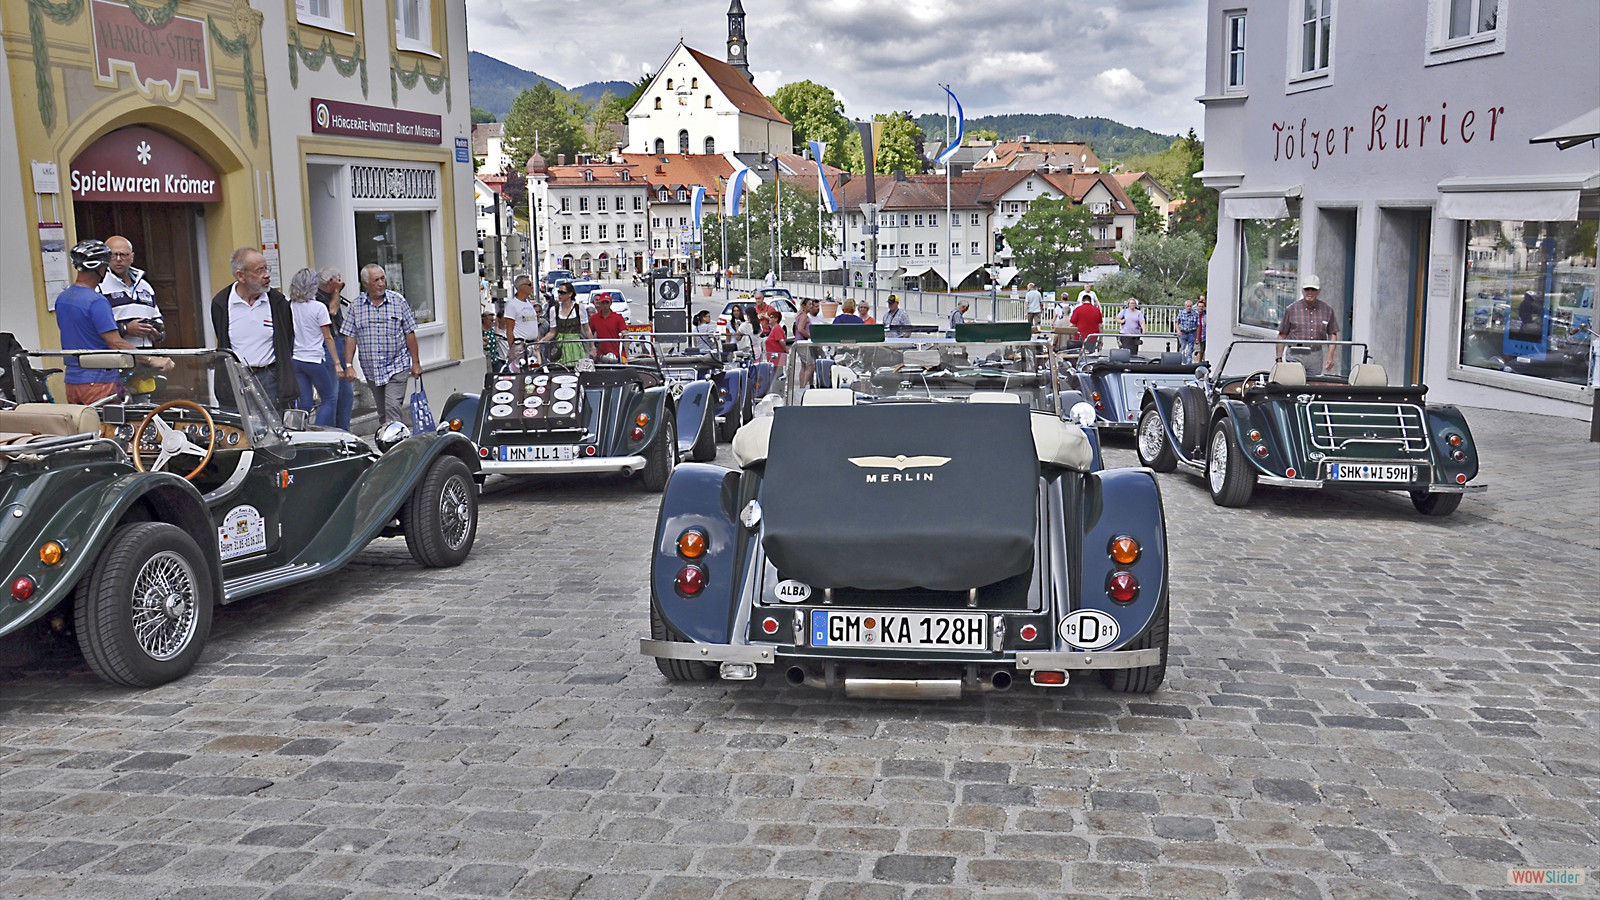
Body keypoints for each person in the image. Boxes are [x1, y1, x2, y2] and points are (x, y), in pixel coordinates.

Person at [55, 240, 148, 404]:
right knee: (109, 427)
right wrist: (152, 359)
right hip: (99, 381)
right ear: (100, 268)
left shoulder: (63, 298)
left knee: (83, 427)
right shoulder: (96, 301)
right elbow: (116, 343)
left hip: (73, 380)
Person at [211, 246, 297, 409]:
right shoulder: (221, 303)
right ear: (241, 276)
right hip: (236, 380)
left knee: (273, 431)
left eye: (266, 268)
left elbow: (287, 340)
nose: (266, 275)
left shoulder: (278, 303)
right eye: (259, 271)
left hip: (270, 378)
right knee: (239, 430)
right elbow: (222, 338)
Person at [340, 263, 423, 430]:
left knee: (392, 408)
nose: (381, 283)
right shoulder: (356, 307)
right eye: (376, 280)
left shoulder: (398, 301)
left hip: (397, 365)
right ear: (366, 284)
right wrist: (348, 365)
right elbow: (350, 336)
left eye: (383, 278)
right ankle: (389, 445)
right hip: (372, 369)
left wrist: (415, 362)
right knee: (383, 413)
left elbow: (410, 333)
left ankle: (397, 446)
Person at [287, 268, 341, 426]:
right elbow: (328, 337)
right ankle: (317, 432)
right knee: (329, 399)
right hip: (314, 359)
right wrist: (337, 363)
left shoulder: (290, 306)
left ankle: (300, 431)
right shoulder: (318, 307)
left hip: (296, 359)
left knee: (305, 403)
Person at [98, 236, 163, 349]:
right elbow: (94, 327)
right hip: (116, 356)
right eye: (113, 254)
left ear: (132, 257)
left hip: (147, 355)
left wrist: (157, 333)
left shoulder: (145, 286)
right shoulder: (99, 285)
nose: (118, 259)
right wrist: (126, 328)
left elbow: (158, 322)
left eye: (123, 255)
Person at [317, 267, 355, 430]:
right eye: (338, 278)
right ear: (331, 281)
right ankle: (328, 432)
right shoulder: (317, 298)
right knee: (332, 393)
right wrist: (337, 292)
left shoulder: (334, 295)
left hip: (340, 342)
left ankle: (344, 430)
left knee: (346, 394)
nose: (341, 281)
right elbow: (331, 312)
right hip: (328, 346)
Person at [1277, 275, 1339, 375]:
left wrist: (1330, 355)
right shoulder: (1292, 309)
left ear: (1318, 291)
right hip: (1295, 353)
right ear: (1302, 290)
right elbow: (1282, 334)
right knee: (1295, 384)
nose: (1310, 292)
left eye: (1313, 289)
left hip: (1315, 354)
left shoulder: (1327, 310)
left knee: (1313, 387)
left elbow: (1333, 334)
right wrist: (1279, 358)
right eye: (1307, 289)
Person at [540, 281, 593, 365]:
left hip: (576, 345)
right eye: (558, 292)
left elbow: (587, 329)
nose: (559, 294)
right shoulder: (554, 310)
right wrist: (542, 341)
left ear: (570, 294)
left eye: (562, 292)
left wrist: (592, 346)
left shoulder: (579, 308)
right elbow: (552, 332)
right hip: (560, 346)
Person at [501, 274, 544, 369]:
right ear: (521, 287)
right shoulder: (512, 305)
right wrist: (513, 348)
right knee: (521, 374)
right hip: (520, 346)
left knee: (535, 372)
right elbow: (509, 329)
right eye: (529, 284)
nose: (531, 287)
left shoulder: (528, 303)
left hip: (532, 345)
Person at [589, 292, 627, 358]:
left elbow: (625, 334)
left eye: (607, 302)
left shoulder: (618, 317)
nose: (605, 305)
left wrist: (625, 354)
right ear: (600, 303)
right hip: (600, 355)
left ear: (610, 303)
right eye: (603, 302)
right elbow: (589, 333)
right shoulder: (594, 318)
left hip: (616, 354)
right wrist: (592, 348)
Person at [1175, 297, 1201, 364]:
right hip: (1183, 333)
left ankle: (1188, 365)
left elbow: (1198, 326)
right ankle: (1181, 362)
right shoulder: (1181, 313)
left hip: (1191, 333)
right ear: (1185, 306)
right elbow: (1177, 323)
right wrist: (1178, 331)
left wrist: (1197, 337)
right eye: (1188, 306)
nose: (1189, 307)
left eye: (1190, 306)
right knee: (1182, 349)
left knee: (1189, 351)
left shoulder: (1195, 314)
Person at [1195, 296, 1208, 363]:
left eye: (1202, 307)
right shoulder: (1194, 315)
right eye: (1199, 306)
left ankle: (1199, 363)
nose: (1201, 308)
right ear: (1197, 307)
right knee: (1197, 351)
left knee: (1202, 351)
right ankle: (1196, 363)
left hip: (1203, 336)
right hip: (1195, 336)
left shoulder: (1205, 315)